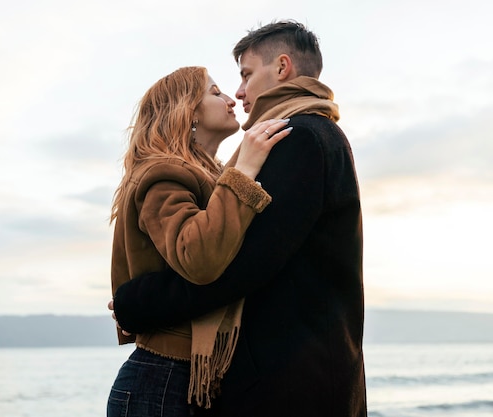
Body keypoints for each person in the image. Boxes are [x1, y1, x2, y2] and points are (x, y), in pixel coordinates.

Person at [111, 20, 367, 417]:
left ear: (282, 68)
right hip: (194, 376)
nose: (238, 93)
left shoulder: (296, 136)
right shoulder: (281, 142)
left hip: (292, 380)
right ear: (187, 112)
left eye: (245, 75)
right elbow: (221, 259)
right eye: (220, 89)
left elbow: (240, 266)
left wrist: (138, 302)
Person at [107, 65, 292, 417]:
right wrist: (244, 172)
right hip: (162, 380)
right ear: (188, 110)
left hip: (190, 377)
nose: (230, 99)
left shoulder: (206, 175)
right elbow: (200, 258)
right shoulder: (163, 173)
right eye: (215, 92)